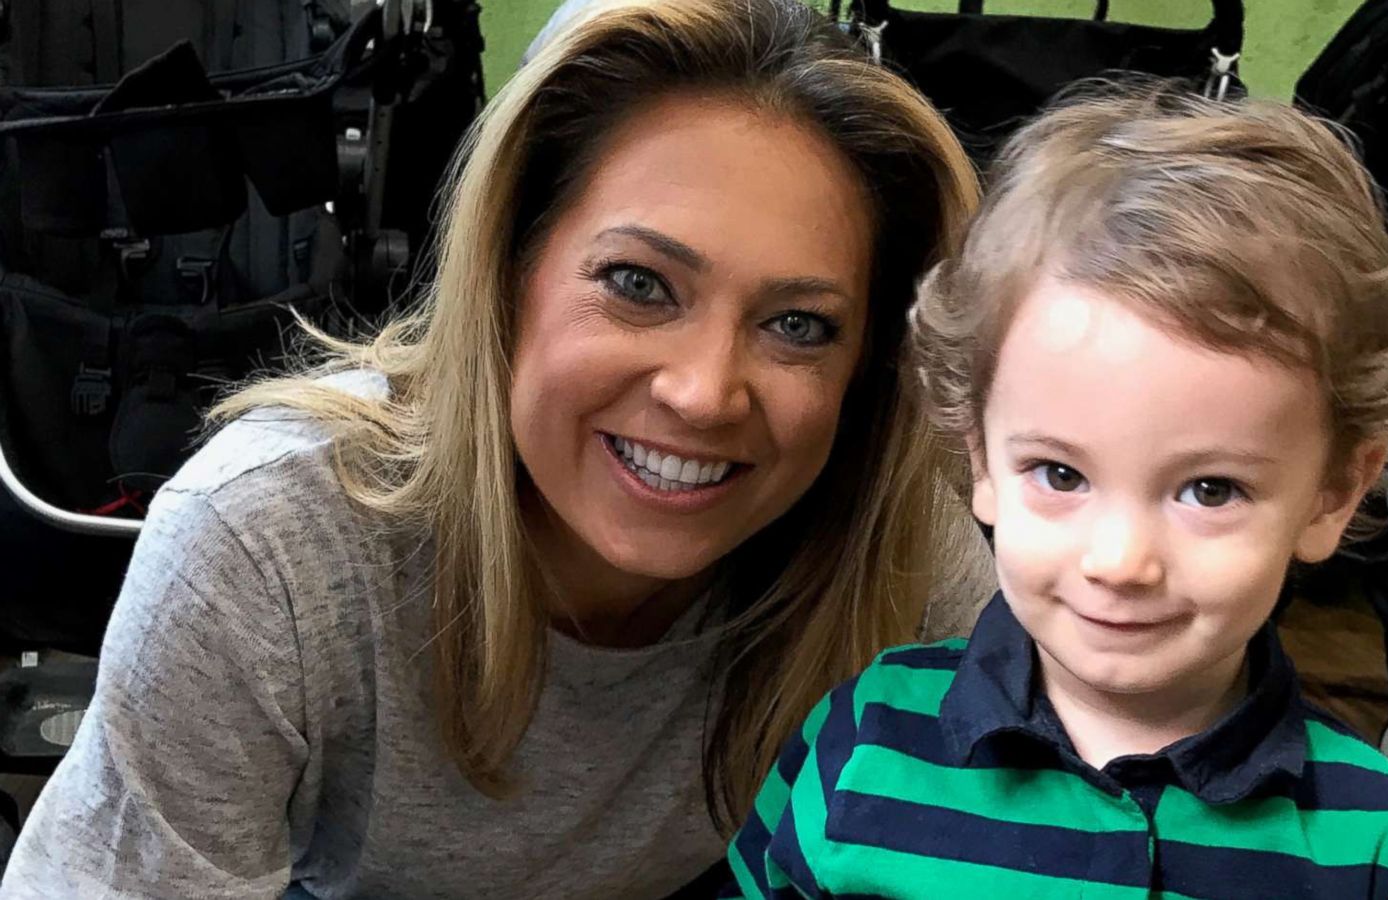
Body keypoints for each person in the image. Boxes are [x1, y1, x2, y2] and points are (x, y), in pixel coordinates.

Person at [0, 0, 992, 897]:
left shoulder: (901, 553)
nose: (701, 392)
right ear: (507, 273)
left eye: (800, 327)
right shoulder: (269, 544)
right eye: (638, 284)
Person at [724, 83, 1388, 899]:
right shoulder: (862, 746)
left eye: (1210, 491)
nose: (1120, 562)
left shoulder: (1378, 844)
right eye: (1060, 474)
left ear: (1332, 494)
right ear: (980, 460)